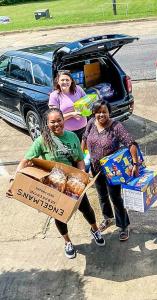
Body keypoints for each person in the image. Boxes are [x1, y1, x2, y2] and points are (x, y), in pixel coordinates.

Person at [6, 108, 105, 259]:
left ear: (63, 120)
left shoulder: (72, 136)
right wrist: (15, 179)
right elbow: (26, 161)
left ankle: (95, 229)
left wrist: (81, 175)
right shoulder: (42, 141)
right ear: (47, 123)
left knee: (86, 209)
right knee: (59, 215)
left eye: (59, 120)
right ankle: (67, 242)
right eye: (52, 122)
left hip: (73, 183)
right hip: (53, 184)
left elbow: (79, 159)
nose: (56, 124)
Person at [82, 100, 140, 241]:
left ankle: (123, 225)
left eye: (104, 112)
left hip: (112, 170)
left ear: (109, 112)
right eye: (98, 112)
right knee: (102, 195)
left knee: (115, 198)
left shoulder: (116, 126)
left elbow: (131, 143)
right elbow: (84, 139)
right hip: (96, 169)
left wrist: (135, 163)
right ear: (94, 113)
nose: (101, 114)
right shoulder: (91, 123)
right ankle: (107, 218)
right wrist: (82, 160)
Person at [48, 70, 87, 141]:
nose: (65, 82)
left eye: (67, 80)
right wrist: (72, 114)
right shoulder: (54, 96)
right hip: (68, 133)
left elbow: (87, 102)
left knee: (84, 151)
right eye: (62, 80)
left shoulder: (78, 89)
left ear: (71, 81)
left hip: (84, 129)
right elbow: (55, 119)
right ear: (58, 81)